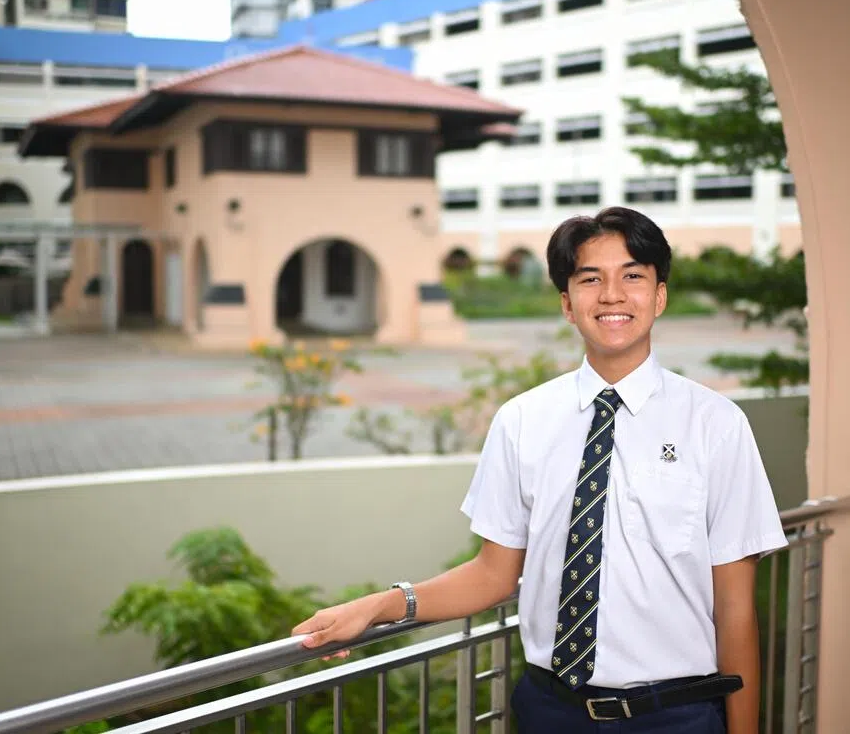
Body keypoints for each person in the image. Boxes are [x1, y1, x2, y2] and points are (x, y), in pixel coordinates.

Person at [292, 206, 788, 733]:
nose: (612, 295)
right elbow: (493, 574)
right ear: (568, 304)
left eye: (633, 276)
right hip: (550, 712)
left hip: (676, 716)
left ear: (659, 296)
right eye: (590, 279)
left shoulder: (716, 425)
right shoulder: (522, 421)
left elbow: (735, 608)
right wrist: (382, 605)